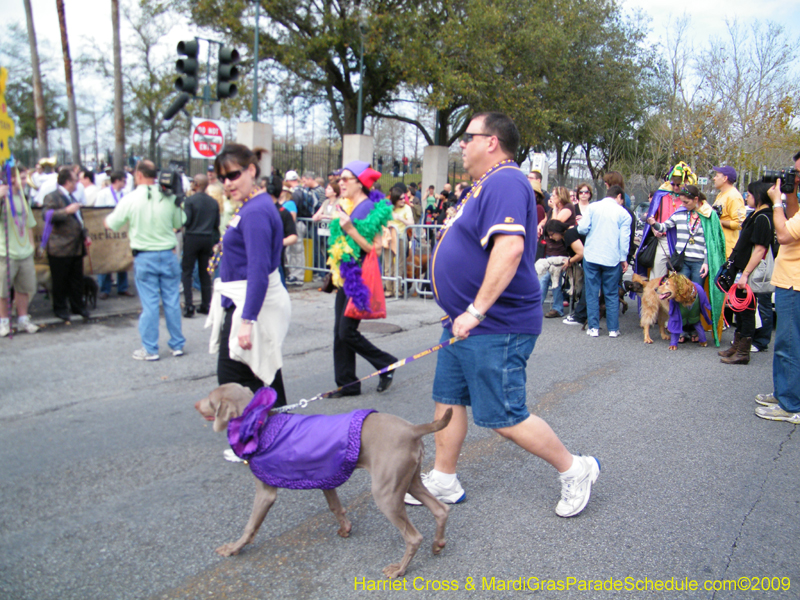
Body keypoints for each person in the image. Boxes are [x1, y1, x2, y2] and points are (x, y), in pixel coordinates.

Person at [407, 112, 600, 518]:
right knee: (448, 399)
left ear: (491, 141)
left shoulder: (507, 180)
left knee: (503, 416)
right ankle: (444, 478)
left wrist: (476, 311)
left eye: (468, 137)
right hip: (464, 322)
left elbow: (510, 250)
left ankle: (575, 468)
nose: (461, 144)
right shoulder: (484, 185)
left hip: (494, 323)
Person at [207, 145, 292, 404]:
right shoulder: (254, 205)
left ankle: (252, 442)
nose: (227, 183)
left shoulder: (255, 210)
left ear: (251, 170)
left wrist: (247, 319)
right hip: (248, 300)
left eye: (233, 175)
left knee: (235, 380)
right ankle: (279, 437)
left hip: (252, 303)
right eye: (223, 178)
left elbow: (258, 269)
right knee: (261, 376)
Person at [327, 160, 397, 396]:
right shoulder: (348, 204)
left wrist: (350, 229)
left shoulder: (367, 208)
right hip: (345, 276)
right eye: (340, 179)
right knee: (339, 332)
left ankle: (386, 363)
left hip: (359, 277)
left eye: (346, 179)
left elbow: (375, 249)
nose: (341, 183)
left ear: (360, 183)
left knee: (346, 331)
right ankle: (347, 383)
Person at [104, 160, 186, 361]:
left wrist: (106, 221)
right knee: (172, 301)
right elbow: (179, 222)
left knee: (150, 304)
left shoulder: (130, 199)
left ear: (139, 175)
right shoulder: (168, 197)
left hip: (144, 256)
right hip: (167, 254)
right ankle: (177, 345)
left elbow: (112, 224)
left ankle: (150, 349)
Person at [754, 153, 800, 424]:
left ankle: (791, 405)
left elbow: (783, 234)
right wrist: (789, 194)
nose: (795, 176)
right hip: (789, 281)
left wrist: (776, 203)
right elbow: (794, 220)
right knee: (787, 343)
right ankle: (785, 392)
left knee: (788, 345)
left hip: (795, 284)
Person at [718, 181, 775, 364]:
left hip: (750, 271)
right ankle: (737, 346)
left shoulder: (764, 218)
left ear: (758, 196)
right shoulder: (757, 215)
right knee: (740, 309)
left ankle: (743, 352)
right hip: (743, 269)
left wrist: (745, 274)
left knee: (748, 311)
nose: (746, 197)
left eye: (749, 194)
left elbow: (760, 249)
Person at [577, 184, 631, 337]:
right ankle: (613, 329)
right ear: (619, 196)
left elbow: (581, 229)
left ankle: (593, 327)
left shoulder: (593, 208)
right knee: (612, 293)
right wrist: (623, 258)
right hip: (612, 257)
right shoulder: (624, 214)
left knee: (592, 291)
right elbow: (624, 239)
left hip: (592, 254)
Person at [42, 167, 91, 321]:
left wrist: (85, 234)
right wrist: (66, 211)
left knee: (76, 280)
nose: (78, 182)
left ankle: (78, 306)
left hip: (76, 246)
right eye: (76, 180)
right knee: (60, 281)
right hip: (60, 247)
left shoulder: (72, 197)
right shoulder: (52, 196)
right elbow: (47, 215)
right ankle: (60, 308)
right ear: (68, 181)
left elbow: (80, 220)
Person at [0, 174, 39, 336]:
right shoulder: (3, 198)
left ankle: (23, 319)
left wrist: (31, 244)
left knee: (23, 288)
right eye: (21, 177)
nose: (25, 181)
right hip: (5, 251)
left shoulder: (23, 198)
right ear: (12, 178)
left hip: (24, 252)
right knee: (2, 290)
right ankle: (4, 322)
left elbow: (29, 223)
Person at [181, 173, 221, 317]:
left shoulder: (190, 201)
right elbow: (216, 224)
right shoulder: (213, 202)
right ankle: (206, 304)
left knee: (187, 271)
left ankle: (189, 305)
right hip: (207, 238)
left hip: (192, 237)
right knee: (205, 272)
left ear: (196, 184)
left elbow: (186, 220)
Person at [538, 186, 576, 318]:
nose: (551, 198)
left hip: (561, 250)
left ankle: (548, 307)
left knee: (549, 278)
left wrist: (554, 208)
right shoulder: (554, 210)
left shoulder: (568, 208)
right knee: (550, 278)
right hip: (550, 248)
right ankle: (556, 307)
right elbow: (546, 220)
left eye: (554, 195)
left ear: (560, 196)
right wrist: (540, 225)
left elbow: (554, 223)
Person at [383, 185, 415, 295]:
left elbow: (411, 223)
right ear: (395, 199)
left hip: (401, 237)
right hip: (389, 237)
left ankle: (397, 288)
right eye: (400, 198)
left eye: (404, 198)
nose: (403, 200)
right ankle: (389, 288)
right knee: (388, 264)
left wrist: (399, 218)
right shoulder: (387, 207)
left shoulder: (407, 208)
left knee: (400, 264)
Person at [711, 165, 746, 257]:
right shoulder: (720, 195)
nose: (714, 178)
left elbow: (740, 223)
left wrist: (718, 221)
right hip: (716, 248)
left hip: (726, 251)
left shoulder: (734, 196)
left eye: (717, 176)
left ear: (725, 178)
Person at [268, 182, 298, 287]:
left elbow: (293, 236)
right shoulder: (257, 211)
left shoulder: (283, 212)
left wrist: (277, 242)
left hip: (276, 261)